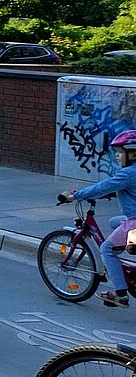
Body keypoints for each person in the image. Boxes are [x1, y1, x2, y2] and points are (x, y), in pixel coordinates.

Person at [61, 129, 136, 307]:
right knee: (114, 222)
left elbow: (104, 186)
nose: (118, 157)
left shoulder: (129, 173)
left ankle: (120, 294)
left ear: (133, 153)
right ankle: (120, 258)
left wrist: (76, 195)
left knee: (106, 249)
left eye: (120, 153)